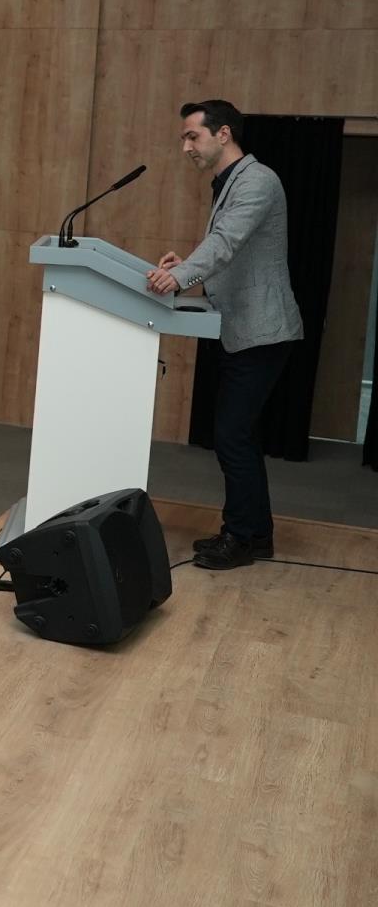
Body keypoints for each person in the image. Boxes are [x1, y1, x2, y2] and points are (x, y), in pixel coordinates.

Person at [145, 99, 304, 570]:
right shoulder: (232, 180)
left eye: (192, 136)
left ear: (223, 134)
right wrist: (187, 266)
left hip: (263, 330)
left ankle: (242, 537)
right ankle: (254, 534)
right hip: (245, 329)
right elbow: (233, 251)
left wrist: (180, 276)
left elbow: (227, 241)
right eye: (184, 138)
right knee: (238, 436)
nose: (186, 147)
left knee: (232, 436)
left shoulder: (257, 180)